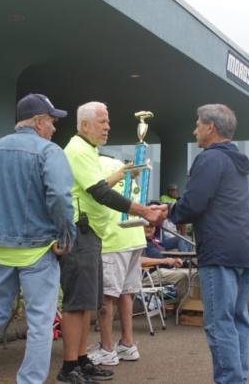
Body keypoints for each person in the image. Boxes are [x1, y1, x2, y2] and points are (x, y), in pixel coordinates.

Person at [0, 94, 76, 384]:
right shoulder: (50, 151)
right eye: (51, 121)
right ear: (37, 122)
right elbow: (59, 196)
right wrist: (65, 236)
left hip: (1, 250)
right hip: (39, 248)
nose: (54, 128)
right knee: (39, 323)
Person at [59, 101, 166, 384]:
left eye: (107, 121)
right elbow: (101, 193)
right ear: (84, 125)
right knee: (76, 304)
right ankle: (69, 367)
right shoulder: (78, 151)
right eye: (102, 122)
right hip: (80, 233)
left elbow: (101, 187)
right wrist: (143, 211)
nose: (108, 126)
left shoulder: (88, 151)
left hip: (92, 232)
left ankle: (81, 360)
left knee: (86, 303)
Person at [155, 104, 249, 384]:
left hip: (219, 252)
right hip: (244, 251)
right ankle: (238, 379)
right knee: (237, 321)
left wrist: (169, 210)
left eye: (198, 124)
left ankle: (230, 381)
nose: (194, 129)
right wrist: (174, 207)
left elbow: (195, 203)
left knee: (219, 324)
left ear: (211, 127)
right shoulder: (236, 161)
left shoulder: (210, 158)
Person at [88, 155, 145, 367]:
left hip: (112, 236)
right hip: (134, 235)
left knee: (106, 294)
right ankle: (128, 345)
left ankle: (106, 349)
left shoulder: (91, 165)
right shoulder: (121, 165)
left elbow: (94, 194)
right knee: (125, 292)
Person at [141, 223, 197, 298]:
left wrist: (174, 261)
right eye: (146, 226)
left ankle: (195, 305)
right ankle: (184, 306)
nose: (148, 229)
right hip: (151, 272)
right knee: (182, 276)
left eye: (151, 227)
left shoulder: (157, 240)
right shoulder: (140, 242)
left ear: (154, 229)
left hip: (165, 269)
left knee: (195, 275)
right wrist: (164, 261)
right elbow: (140, 260)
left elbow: (162, 256)